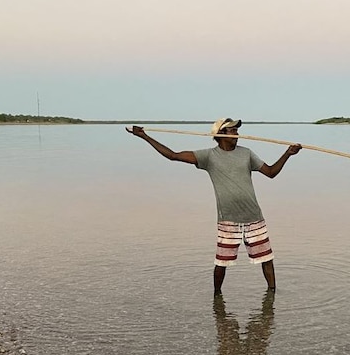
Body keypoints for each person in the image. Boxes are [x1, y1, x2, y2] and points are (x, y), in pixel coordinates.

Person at [127, 118, 301, 295]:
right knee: (221, 263)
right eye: (233, 131)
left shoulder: (246, 153)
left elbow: (271, 172)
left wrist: (288, 153)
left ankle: (272, 297)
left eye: (236, 131)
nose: (237, 134)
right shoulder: (209, 156)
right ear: (221, 134)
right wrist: (144, 136)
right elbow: (173, 155)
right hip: (228, 221)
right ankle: (217, 298)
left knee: (266, 259)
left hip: (254, 217)